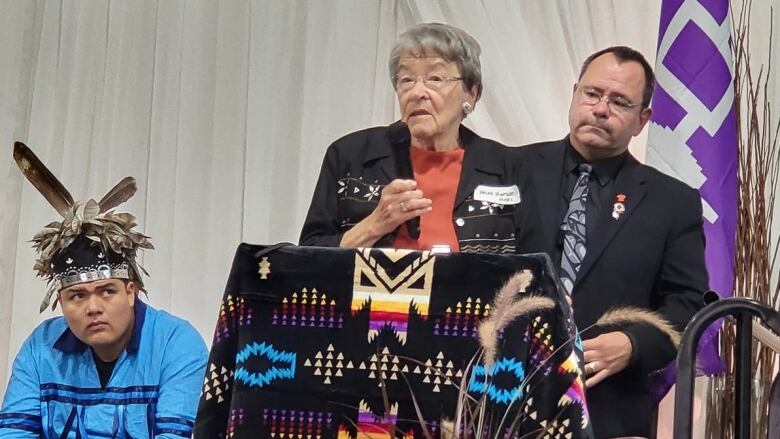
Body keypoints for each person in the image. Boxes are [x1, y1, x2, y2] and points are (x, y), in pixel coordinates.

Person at [514, 47, 707, 438]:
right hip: (499, 396)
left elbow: (685, 304)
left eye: (619, 101)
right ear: (574, 94)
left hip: (607, 410)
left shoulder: (673, 202)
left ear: (642, 120)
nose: (601, 109)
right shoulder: (510, 170)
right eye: (592, 93)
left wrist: (633, 343)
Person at [0, 143, 208, 437]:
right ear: (60, 301)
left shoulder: (176, 344)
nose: (93, 307)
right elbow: (13, 434)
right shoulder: (40, 347)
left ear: (131, 291)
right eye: (77, 296)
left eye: (107, 291)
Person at [300, 22, 536, 254]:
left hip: (471, 294)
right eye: (406, 80)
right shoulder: (350, 156)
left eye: (435, 79)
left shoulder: (505, 168)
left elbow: (533, 265)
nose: (417, 93)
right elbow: (307, 256)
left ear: (471, 93)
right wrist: (373, 226)